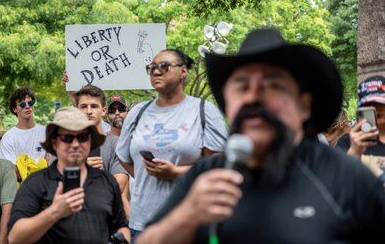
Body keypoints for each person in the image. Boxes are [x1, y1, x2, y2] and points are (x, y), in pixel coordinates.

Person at [137, 28, 385, 243]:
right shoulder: (204, 176)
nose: (253, 97)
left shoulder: (346, 178)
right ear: (229, 105)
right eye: (242, 86)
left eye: (273, 85)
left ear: (304, 106)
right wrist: (187, 216)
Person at [116, 49, 228, 240]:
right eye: (150, 68)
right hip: (142, 226)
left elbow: (220, 163)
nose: (156, 72)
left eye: (163, 66)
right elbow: (124, 156)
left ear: (183, 71)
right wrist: (148, 174)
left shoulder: (203, 110)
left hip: (190, 224)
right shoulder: (137, 113)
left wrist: (176, 174)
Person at [8, 107, 129, 244]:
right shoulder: (36, 182)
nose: (76, 144)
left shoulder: (107, 181)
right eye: (67, 138)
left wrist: (121, 239)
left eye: (82, 137)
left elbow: (122, 227)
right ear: (54, 143)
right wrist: (54, 212)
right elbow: (14, 238)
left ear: (90, 142)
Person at [73, 86, 130, 211]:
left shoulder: (117, 144)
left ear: (103, 110)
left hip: (108, 220)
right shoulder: (64, 145)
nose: (88, 111)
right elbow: (56, 186)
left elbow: (117, 187)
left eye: (94, 106)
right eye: (83, 106)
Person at [336, 75, 385, 181]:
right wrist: (354, 151)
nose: (376, 108)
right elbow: (336, 183)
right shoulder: (347, 142)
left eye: (380, 102)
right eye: (369, 103)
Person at [0, 87, 49, 181]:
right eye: (22, 104)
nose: (27, 106)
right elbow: (11, 172)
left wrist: (24, 167)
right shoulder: (8, 137)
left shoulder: (46, 132)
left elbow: (52, 164)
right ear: (15, 109)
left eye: (30, 103)